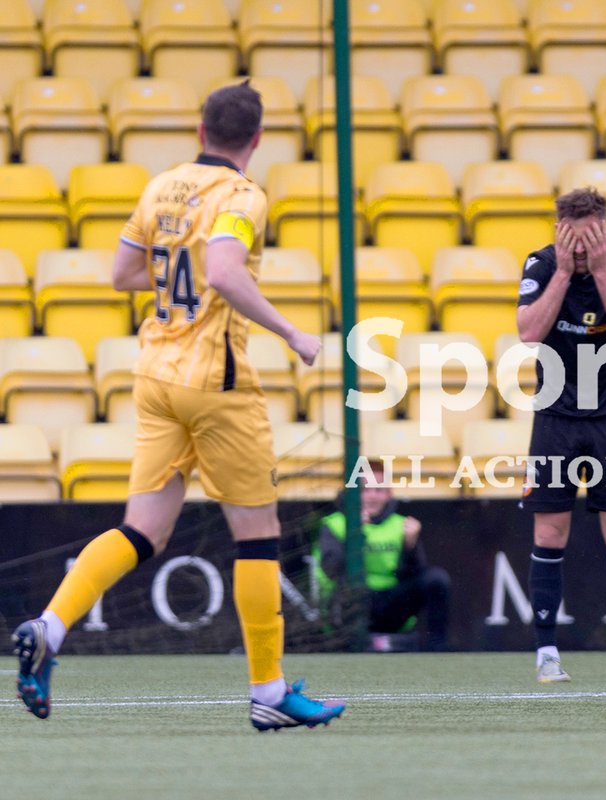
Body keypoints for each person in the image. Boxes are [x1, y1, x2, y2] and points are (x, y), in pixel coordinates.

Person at [10, 81, 345, 730]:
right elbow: (222, 271)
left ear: (200, 131)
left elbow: (123, 274)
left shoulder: (161, 187)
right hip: (217, 385)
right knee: (259, 539)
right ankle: (269, 694)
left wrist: (178, 272)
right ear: (256, 140)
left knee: (143, 530)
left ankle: (49, 628)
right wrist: (292, 333)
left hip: (156, 376)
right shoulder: (244, 196)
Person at [516, 186, 606, 684]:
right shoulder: (539, 265)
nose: (580, 252)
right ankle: (546, 655)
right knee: (549, 533)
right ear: (558, 233)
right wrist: (561, 271)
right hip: (555, 418)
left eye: (588, 242)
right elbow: (529, 332)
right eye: (572, 243)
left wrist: (599, 272)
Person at [314, 461, 450, 652]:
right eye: (365, 490)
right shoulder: (334, 524)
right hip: (351, 604)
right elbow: (331, 569)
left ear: (388, 493)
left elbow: (416, 576)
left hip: (390, 604)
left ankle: (439, 650)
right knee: (349, 596)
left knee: (437, 579)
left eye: (379, 490)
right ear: (352, 493)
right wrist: (354, 535)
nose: (372, 496)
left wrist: (409, 547)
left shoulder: (402, 525)